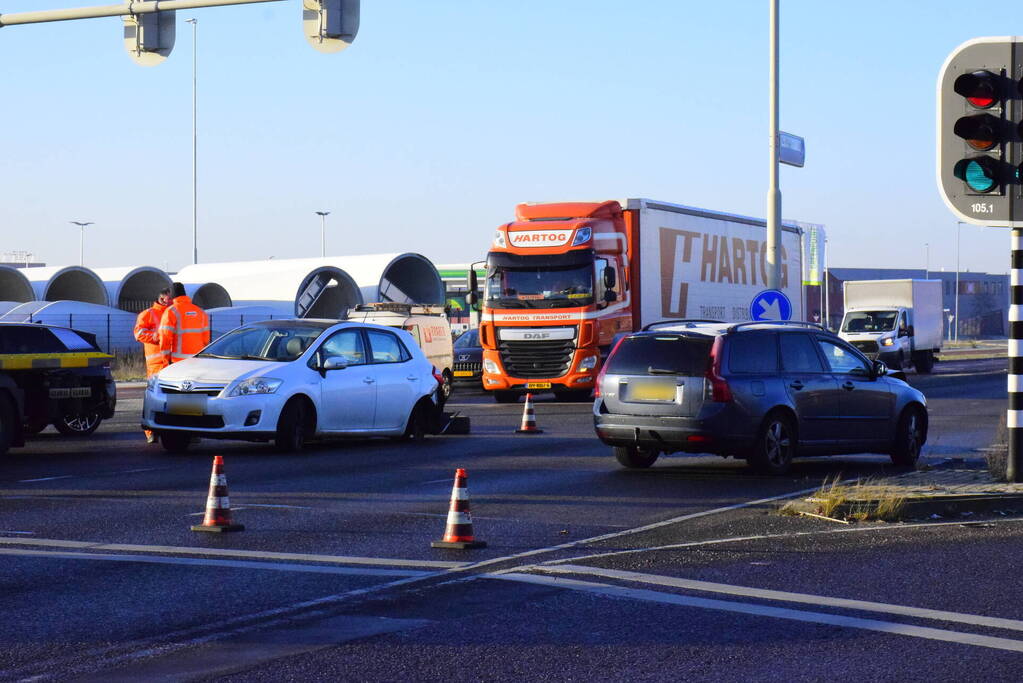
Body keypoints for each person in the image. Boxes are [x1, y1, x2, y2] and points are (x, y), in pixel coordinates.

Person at [134, 287, 172, 444]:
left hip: (172, 363)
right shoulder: (148, 314)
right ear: (161, 298)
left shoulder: (174, 313)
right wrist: (157, 337)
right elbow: (139, 333)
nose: (168, 300)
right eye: (167, 298)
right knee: (153, 398)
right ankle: (150, 431)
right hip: (156, 364)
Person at [159, 282, 211, 365]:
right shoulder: (200, 311)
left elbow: (165, 339)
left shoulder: (171, 311)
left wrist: (165, 360)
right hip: (197, 359)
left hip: (178, 361)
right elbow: (206, 339)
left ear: (172, 295)